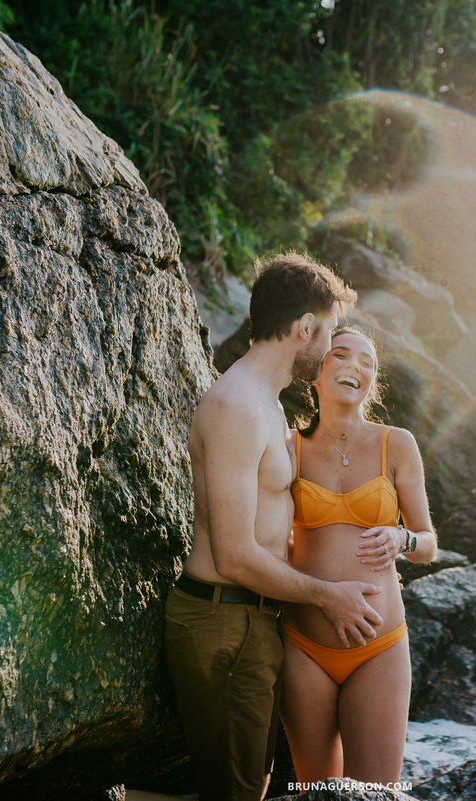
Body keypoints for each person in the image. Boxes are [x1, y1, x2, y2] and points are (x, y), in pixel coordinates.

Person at [163, 253, 386, 801]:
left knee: (252, 787)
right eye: (329, 332)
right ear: (304, 328)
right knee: (237, 793)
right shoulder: (236, 406)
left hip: (252, 621)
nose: (331, 346)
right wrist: (328, 597)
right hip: (224, 620)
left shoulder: (267, 403)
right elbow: (234, 555)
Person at [281, 325, 438, 784]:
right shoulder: (289, 446)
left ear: (373, 380)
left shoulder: (397, 443)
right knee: (317, 792)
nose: (354, 366)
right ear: (315, 370)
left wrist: (401, 538)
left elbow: (428, 542)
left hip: (380, 648)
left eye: (367, 362)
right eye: (340, 355)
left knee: (377, 794)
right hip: (303, 648)